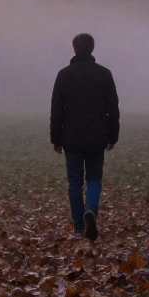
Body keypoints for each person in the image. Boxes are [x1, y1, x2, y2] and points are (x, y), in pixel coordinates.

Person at [50, 33, 119, 242]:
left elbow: (57, 110)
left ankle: (79, 227)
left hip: (71, 136)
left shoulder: (64, 75)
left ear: (74, 49)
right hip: (97, 135)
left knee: (74, 182)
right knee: (95, 178)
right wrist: (112, 135)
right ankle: (90, 209)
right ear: (92, 49)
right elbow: (112, 108)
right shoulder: (104, 74)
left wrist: (56, 138)